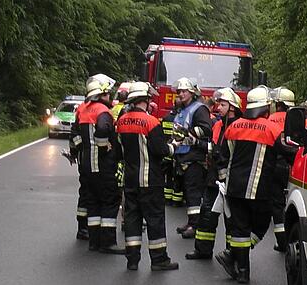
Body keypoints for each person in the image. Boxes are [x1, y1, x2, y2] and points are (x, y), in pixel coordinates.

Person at [215, 86, 292, 283]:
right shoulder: (272, 129)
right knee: (262, 224)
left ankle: (242, 270)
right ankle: (233, 255)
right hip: (258, 190)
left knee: (239, 229)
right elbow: (289, 153)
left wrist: (224, 181)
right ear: (267, 107)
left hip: (233, 188)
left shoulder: (233, 126)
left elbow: (222, 156)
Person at [114, 82, 178, 272]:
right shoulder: (152, 123)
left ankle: (132, 260)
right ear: (146, 99)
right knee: (155, 219)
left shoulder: (122, 121)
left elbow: (118, 152)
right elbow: (160, 150)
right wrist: (173, 147)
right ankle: (159, 259)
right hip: (151, 180)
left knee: (132, 219)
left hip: (130, 180)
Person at [71, 73, 125, 254]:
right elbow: (102, 129)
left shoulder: (82, 110)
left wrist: (81, 149)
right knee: (110, 201)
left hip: (86, 165)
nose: (110, 97)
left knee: (92, 202)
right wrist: (104, 147)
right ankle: (108, 242)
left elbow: (74, 136)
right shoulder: (102, 111)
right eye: (108, 93)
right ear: (101, 94)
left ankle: (94, 241)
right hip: (103, 166)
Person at [186, 88, 241, 260]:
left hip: (231, 180)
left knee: (231, 219)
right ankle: (203, 250)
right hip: (213, 177)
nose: (218, 108)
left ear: (232, 107)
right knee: (207, 213)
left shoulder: (239, 126)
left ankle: (233, 254)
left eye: (223, 105)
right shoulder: (218, 124)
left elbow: (230, 153)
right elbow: (213, 147)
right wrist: (197, 142)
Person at [167, 77, 212, 239]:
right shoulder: (183, 109)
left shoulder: (199, 109)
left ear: (192, 93)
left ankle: (195, 225)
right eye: (179, 91)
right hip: (182, 156)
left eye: (184, 91)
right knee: (187, 191)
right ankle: (191, 221)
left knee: (193, 192)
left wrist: (189, 133)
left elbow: (207, 129)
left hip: (194, 157)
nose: (181, 94)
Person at [265, 87, 297, 252]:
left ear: (277, 104)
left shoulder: (270, 119)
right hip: (294, 165)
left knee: (277, 205)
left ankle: (282, 241)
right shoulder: (298, 118)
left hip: (275, 165)